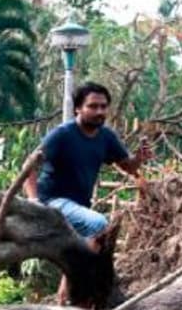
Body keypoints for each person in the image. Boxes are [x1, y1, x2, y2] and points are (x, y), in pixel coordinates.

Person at [25, 81, 151, 249]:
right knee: (99, 224)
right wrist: (34, 201)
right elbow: (29, 165)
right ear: (78, 108)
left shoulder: (107, 137)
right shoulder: (62, 134)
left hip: (80, 206)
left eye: (103, 106)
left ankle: (80, 274)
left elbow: (128, 167)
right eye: (92, 106)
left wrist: (139, 158)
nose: (99, 111)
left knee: (74, 256)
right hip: (52, 202)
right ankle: (89, 274)